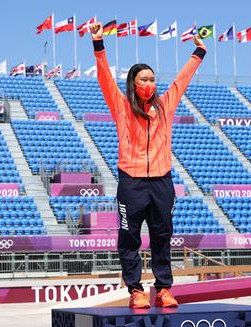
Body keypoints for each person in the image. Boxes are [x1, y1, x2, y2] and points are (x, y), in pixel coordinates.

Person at [89, 22, 206, 309]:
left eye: (152, 79)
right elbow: (104, 78)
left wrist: (198, 54)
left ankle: (163, 288)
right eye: (143, 79)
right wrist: (98, 45)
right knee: (129, 237)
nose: (150, 84)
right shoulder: (122, 107)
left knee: (162, 235)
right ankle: (135, 290)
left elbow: (182, 80)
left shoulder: (166, 106)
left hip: (162, 182)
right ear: (133, 83)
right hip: (132, 182)